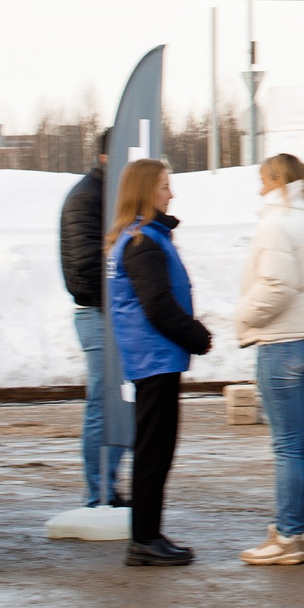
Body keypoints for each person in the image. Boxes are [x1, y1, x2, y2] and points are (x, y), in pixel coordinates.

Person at [106, 158, 212, 563]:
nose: (171, 193)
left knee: (155, 448)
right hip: (155, 358)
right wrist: (196, 336)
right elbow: (157, 306)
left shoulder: (142, 237)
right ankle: (145, 538)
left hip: (154, 357)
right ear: (146, 191)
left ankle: (148, 534)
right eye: (165, 186)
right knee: (155, 450)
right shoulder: (142, 242)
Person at [235, 154, 304, 567]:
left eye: (262, 180)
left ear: (276, 180)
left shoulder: (275, 223)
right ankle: (302, 536)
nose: (259, 189)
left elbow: (278, 285)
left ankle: (288, 535)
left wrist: (243, 316)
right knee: (303, 447)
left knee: (288, 448)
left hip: (281, 343)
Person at [58, 129, 123, 508]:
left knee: (112, 401)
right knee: (102, 402)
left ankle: (107, 486)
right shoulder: (88, 198)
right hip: (99, 314)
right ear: (104, 158)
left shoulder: (108, 197)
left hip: (111, 313)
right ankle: (98, 492)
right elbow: (85, 265)